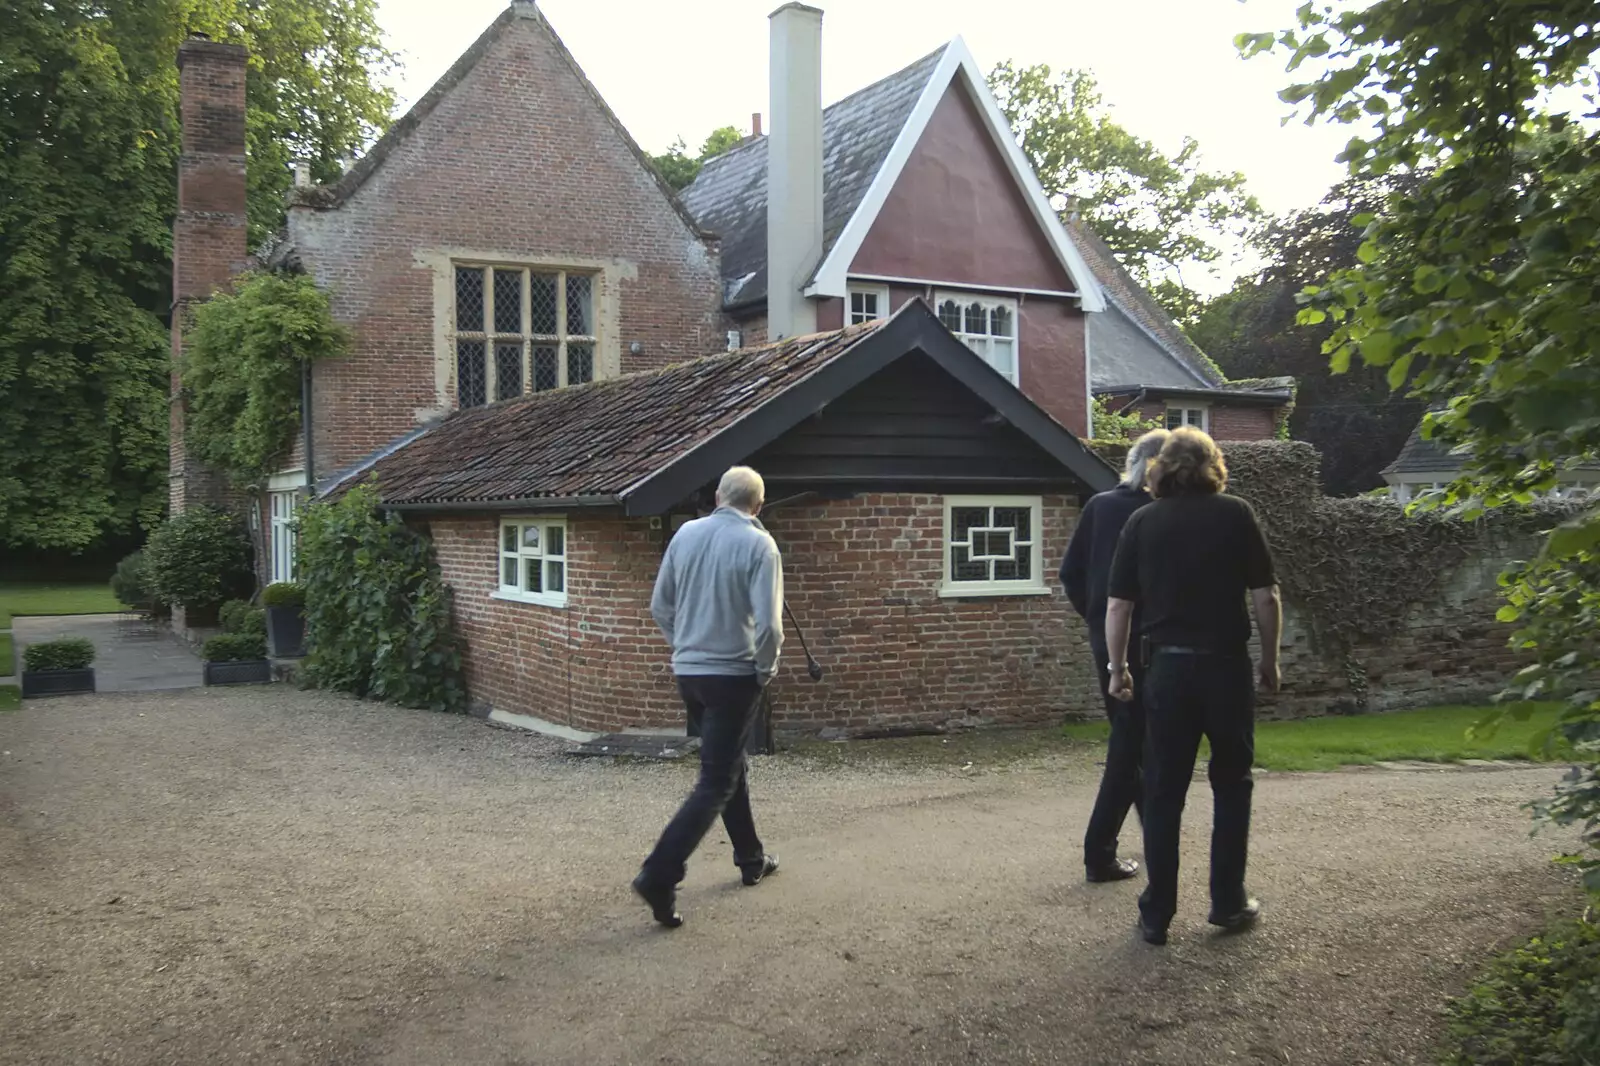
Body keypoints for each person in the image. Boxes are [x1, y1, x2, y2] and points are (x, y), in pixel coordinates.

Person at [1104, 428, 1282, 947]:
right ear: (1213, 466)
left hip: (1168, 674)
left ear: (1160, 468)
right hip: (1225, 669)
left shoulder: (1142, 520)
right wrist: (1268, 661)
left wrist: (1118, 670)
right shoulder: (1236, 514)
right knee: (1232, 781)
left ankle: (1157, 913)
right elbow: (1266, 596)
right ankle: (1228, 901)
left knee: (1163, 791)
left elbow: (1119, 606)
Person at [633, 466, 784, 928]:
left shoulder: (684, 535)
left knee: (727, 764)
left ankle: (751, 859)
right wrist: (763, 670)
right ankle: (660, 873)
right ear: (757, 507)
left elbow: (660, 605)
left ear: (718, 496)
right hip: (732, 677)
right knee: (715, 781)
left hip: (689, 673)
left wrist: (687, 646)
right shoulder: (761, 544)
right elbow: (771, 627)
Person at [1059, 428, 1170, 883]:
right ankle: (1099, 853)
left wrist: (1095, 621)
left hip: (1105, 640)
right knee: (1132, 746)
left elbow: (1071, 573)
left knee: (1137, 742)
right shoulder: (1158, 513)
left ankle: (1154, 840)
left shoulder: (1099, 506)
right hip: (1146, 644)